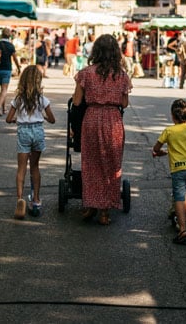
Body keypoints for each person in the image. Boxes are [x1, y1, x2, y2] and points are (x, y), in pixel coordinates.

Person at [72, 33, 131, 226]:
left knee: (91, 164)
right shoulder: (121, 75)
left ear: (96, 51)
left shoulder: (86, 73)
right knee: (111, 165)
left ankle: (90, 205)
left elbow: (77, 101)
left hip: (92, 119)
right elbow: (124, 103)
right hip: (113, 121)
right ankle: (105, 211)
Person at [6, 66, 56, 219]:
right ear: (38, 81)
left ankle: (20, 199)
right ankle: (35, 200)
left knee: (21, 168)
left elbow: (8, 119)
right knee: (35, 167)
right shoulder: (42, 99)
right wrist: (44, 118)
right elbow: (52, 119)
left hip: (24, 132)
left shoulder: (18, 99)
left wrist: (17, 119)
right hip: (37, 132)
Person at [152, 99, 186, 244]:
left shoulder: (169, 131)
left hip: (179, 169)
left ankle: (183, 230)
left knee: (179, 197)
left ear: (172, 116)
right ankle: (183, 218)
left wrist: (160, 152)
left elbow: (156, 148)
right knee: (184, 193)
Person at [0, 28, 21, 116]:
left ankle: (4, 108)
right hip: (7, 69)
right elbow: (15, 58)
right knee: (4, 89)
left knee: (2, 89)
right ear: (9, 35)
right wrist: (19, 67)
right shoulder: (11, 46)